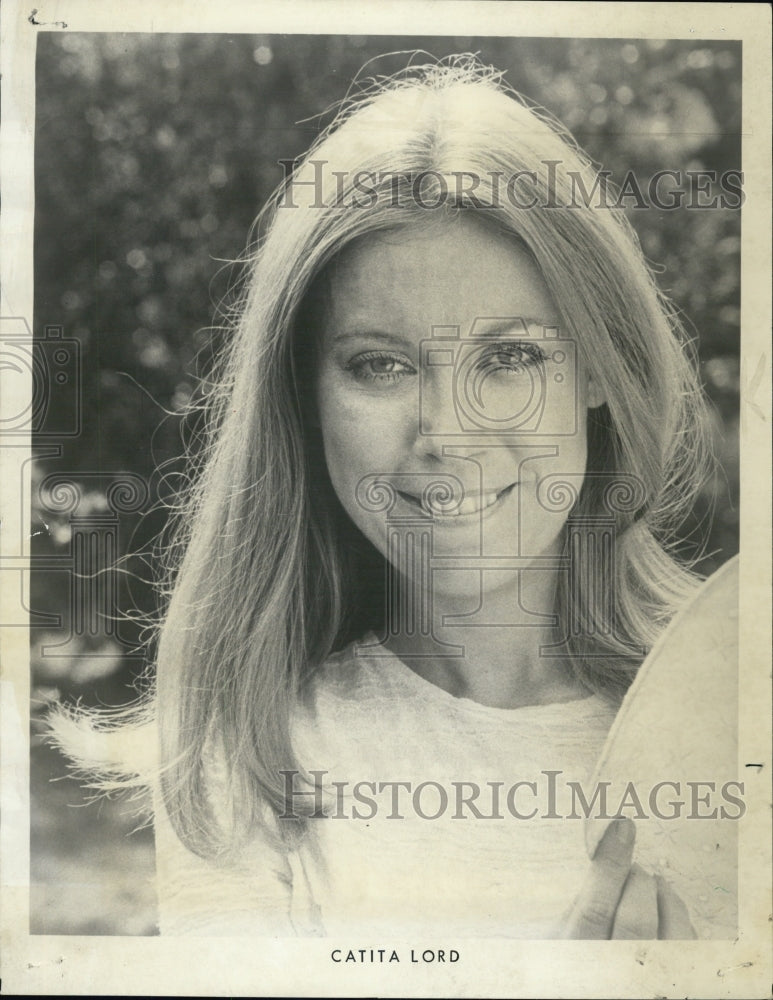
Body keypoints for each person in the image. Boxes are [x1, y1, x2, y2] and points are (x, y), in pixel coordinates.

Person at [53, 57, 714, 939]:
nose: (446, 430)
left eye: (508, 356)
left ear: (597, 366)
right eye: (381, 365)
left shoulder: (736, 708)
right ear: (304, 397)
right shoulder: (248, 756)